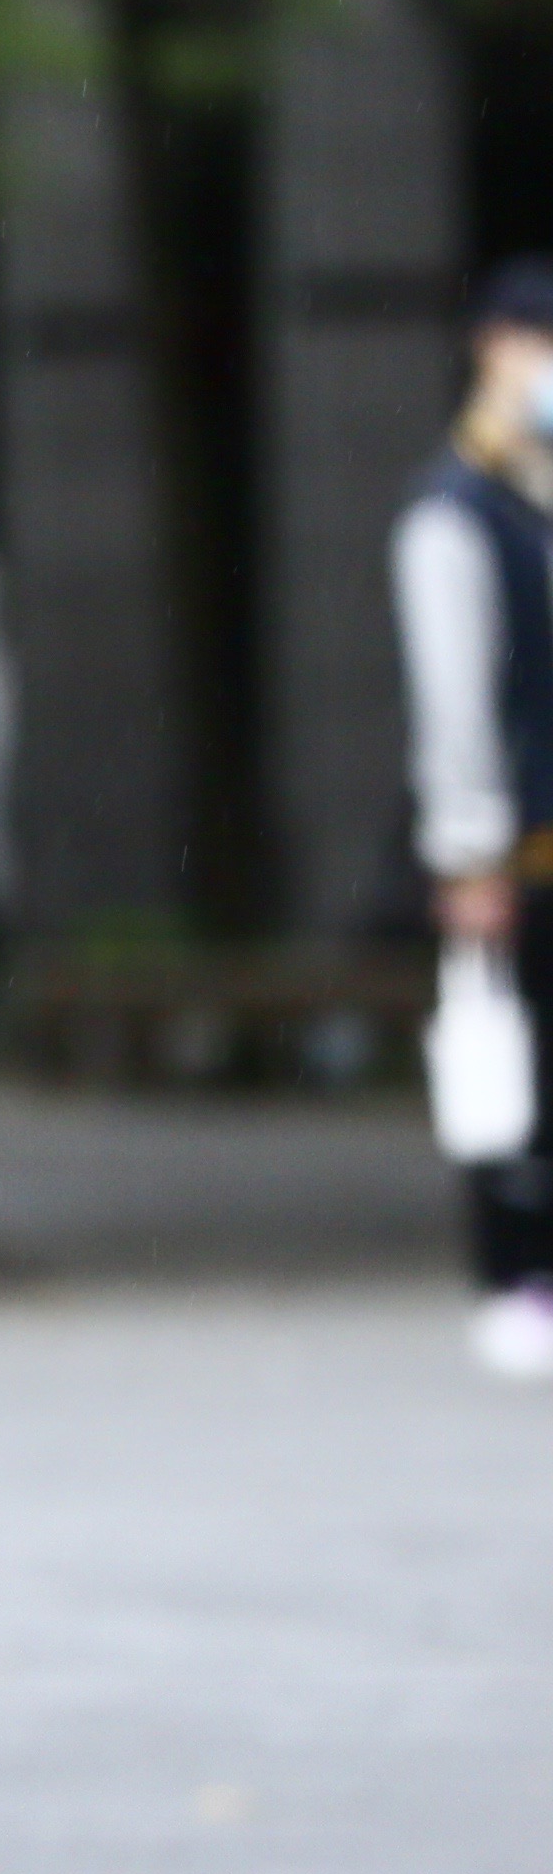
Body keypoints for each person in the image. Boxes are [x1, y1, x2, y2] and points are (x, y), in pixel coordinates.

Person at [393, 255, 553, 1381]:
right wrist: (468, 848)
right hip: (524, 840)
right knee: (516, 1060)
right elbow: (454, 697)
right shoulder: (456, 510)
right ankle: (514, 1273)